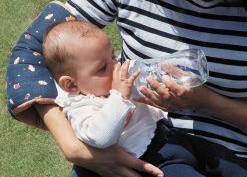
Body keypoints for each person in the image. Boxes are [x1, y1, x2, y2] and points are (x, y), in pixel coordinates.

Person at [6, 0, 247, 176]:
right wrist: (71, 144)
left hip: (229, 157)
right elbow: (30, 53)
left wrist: (207, 102)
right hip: (135, 151)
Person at [42, 20, 247, 177]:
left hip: (171, 136)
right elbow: (100, 137)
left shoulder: (108, 86)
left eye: (113, 57)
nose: (115, 67)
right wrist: (120, 97)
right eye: (103, 68)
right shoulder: (81, 107)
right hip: (153, 161)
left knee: (224, 158)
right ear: (71, 84)